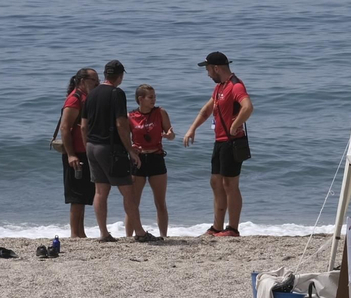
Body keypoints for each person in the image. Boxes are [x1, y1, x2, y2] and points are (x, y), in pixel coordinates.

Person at [183, 51, 252, 238]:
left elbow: (248, 107)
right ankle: (217, 227)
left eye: (207, 69)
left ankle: (233, 229)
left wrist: (235, 125)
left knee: (230, 184)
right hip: (219, 142)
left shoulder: (235, 86)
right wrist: (192, 129)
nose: (207, 74)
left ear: (216, 68)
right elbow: (206, 111)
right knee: (216, 183)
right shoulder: (220, 88)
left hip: (232, 142)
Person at [81, 60, 140, 242]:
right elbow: (121, 124)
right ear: (120, 76)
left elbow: (83, 126)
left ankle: (104, 233)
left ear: (105, 74)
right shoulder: (117, 93)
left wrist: (87, 147)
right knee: (128, 192)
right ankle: (140, 233)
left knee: (100, 191)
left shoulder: (91, 94)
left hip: (92, 146)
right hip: (111, 148)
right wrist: (130, 150)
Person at [128, 84, 175, 240]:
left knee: (160, 201)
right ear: (140, 99)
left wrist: (169, 135)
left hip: (156, 157)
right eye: (150, 97)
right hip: (138, 159)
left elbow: (170, 133)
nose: (154, 100)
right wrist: (131, 147)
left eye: (154, 96)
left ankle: (163, 235)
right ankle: (129, 236)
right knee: (133, 203)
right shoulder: (131, 116)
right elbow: (124, 139)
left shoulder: (160, 113)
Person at [58, 68, 99, 239]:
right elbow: (65, 128)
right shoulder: (74, 99)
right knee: (76, 197)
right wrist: (71, 155)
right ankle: (75, 234)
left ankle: (80, 232)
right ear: (82, 81)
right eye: (93, 80)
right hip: (76, 153)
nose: (97, 84)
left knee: (82, 196)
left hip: (84, 152)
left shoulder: (84, 97)